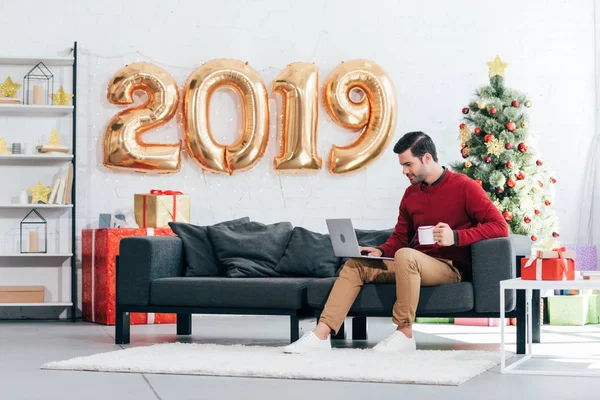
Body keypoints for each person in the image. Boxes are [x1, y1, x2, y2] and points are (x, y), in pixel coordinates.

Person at [282, 131, 509, 354]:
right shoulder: (411, 194)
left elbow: (500, 226)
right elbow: (400, 238)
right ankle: (321, 335)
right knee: (356, 265)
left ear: (427, 158)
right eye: (402, 165)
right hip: (410, 263)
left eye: (408, 164)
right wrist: (380, 251)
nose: (404, 171)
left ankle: (404, 333)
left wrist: (456, 237)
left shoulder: (464, 187)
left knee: (406, 255)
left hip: (449, 267)